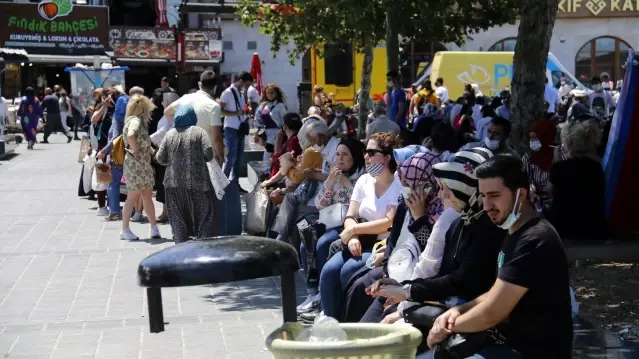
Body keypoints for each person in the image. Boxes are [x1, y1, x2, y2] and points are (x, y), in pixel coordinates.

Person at [422, 155, 572, 359]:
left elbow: (492, 313)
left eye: (494, 195)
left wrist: (444, 327)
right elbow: (497, 291)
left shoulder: (534, 238)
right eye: (482, 196)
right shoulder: (514, 230)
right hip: (507, 344)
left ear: (521, 195)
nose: (486, 205)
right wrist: (459, 310)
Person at [365, 149, 505, 329]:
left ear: (465, 187)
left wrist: (407, 292)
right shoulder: (461, 221)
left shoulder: (483, 227)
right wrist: (403, 286)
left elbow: (459, 280)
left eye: (448, 188)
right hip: (420, 290)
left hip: (461, 314)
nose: (441, 195)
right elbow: (441, 272)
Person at [352, 150, 446, 324]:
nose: (408, 189)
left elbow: (430, 250)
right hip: (395, 275)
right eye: (404, 183)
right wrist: (387, 274)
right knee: (359, 288)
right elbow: (393, 244)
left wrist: (419, 218)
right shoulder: (404, 206)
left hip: (419, 287)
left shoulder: (442, 213)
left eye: (412, 184)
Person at [317, 132, 402, 320]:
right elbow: (351, 214)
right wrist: (353, 235)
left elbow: (388, 222)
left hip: (380, 245)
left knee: (348, 271)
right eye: (366, 152)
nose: (366, 156)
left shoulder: (398, 184)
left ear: (387, 157)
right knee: (330, 270)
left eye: (372, 152)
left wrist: (354, 230)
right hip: (359, 240)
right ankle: (331, 320)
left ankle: (347, 320)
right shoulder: (364, 180)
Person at [296, 138, 367, 312]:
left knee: (323, 243)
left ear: (355, 156)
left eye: (345, 155)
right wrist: (329, 182)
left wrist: (347, 185)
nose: (340, 159)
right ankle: (312, 291)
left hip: (351, 224)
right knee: (306, 240)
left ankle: (323, 293)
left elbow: (363, 206)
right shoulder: (334, 174)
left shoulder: (363, 177)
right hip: (331, 220)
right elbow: (320, 204)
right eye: (337, 154)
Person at [155, 104, 215, 243]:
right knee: (203, 217)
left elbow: (160, 158)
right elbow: (209, 154)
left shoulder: (170, 133)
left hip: (173, 184)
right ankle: (201, 246)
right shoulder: (199, 132)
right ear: (193, 117)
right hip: (199, 182)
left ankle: (180, 247)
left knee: (177, 218)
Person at [547, 120, 606, 240]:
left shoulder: (559, 167)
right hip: (593, 226)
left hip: (562, 226)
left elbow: (549, 191)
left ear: (568, 144)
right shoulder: (597, 167)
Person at [119, 95, 162, 241]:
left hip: (141, 164)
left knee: (145, 196)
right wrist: (136, 149)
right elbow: (131, 135)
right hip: (137, 164)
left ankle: (153, 227)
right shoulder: (136, 121)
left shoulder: (135, 121)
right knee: (136, 196)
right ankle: (125, 229)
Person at [220, 71, 253, 183]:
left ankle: (235, 183)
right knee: (231, 158)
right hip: (231, 128)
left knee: (239, 159)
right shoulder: (227, 93)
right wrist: (237, 113)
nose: (248, 87)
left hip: (240, 128)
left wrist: (246, 112)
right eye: (247, 84)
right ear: (240, 81)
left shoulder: (241, 93)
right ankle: (223, 184)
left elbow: (240, 110)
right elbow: (220, 112)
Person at [152, 90, 180, 223]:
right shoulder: (172, 116)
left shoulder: (170, 117)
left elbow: (162, 134)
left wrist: (147, 140)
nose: (162, 102)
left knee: (165, 185)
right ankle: (167, 212)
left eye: (165, 100)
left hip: (167, 156)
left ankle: (167, 212)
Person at [260, 113, 304, 188]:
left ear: (285, 127)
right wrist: (278, 139)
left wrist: (270, 181)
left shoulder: (294, 140)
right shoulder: (288, 138)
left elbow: (286, 165)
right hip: (276, 177)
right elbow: (277, 156)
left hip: (283, 180)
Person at [523, 119, 556, 211]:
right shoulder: (528, 157)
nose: (533, 142)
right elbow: (527, 180)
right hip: (537, 201)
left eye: (536, 138)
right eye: (531, 138)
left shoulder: (558, 155)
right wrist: (532, 191)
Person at [255, 83, 287, 169]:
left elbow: (284, 119)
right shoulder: (263, 105)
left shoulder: (280, 106)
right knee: (267, 153)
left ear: (276, 94)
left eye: (272, 92)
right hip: (266, 132)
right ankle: (266, 171)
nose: (270, 95)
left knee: (272, 152)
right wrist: (258, 132)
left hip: (277, 132)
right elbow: (257, 118)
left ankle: (275, 170)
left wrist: (283, 131)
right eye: (268, 93)